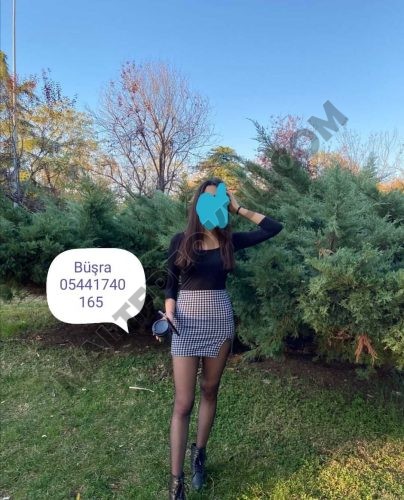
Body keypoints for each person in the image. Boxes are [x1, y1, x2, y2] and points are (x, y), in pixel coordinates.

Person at [155, 177, 284, 499]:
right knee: (183, 403)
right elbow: (170, 286)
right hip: (185, 324)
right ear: (198, 203)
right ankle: (176, 482)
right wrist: (169, 314)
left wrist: (239, 208)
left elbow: (273, 227)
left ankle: (199, 455)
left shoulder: (229, 242)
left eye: (220, 200)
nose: (215, 205)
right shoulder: (180, 241)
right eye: (209, 199)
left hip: (219, 323)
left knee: (210, 390)